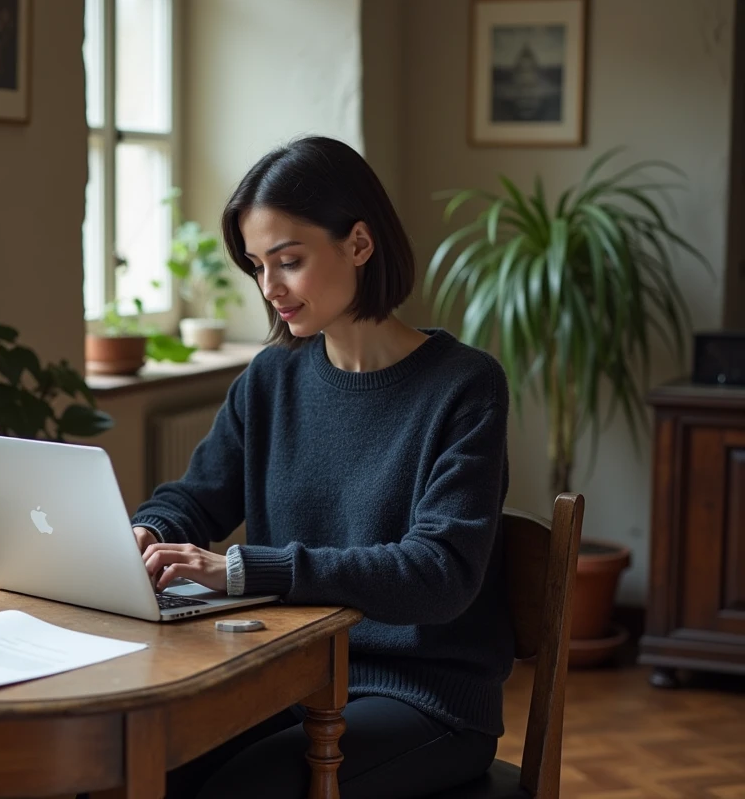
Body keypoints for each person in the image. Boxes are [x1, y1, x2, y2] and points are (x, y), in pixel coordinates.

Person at [129, 136, 514, 799]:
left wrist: (243, 571)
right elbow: (196, 496)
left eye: (289, 261)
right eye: (257, 266)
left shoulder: (465, 386)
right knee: (133, 765)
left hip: (421, 698)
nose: (269, 288)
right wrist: (152, 532)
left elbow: (440, 574)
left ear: (359, 243)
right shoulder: (270, 378)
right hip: (285, 675)